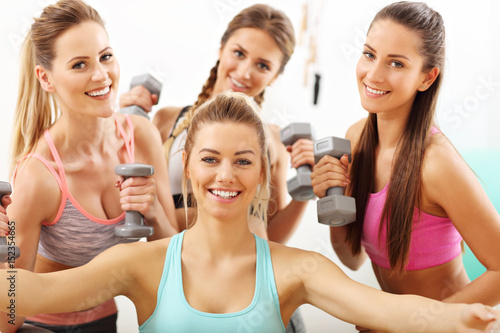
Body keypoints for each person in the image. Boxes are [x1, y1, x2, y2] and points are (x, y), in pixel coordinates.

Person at [1, 92, 500, 333]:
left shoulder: (293, 270)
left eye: (243, 161)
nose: (226, 176)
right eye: (211, 159)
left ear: (263, 173)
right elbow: (28, 292)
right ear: (189, 169)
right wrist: (5, 239)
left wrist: (459, 318)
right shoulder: (144, 263)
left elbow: (387, 311)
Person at [310, 2, 500, 332]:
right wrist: (334, 203)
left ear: (427, 78)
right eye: (369, 54)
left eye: (396, 63)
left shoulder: (436, 163)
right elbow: (353, 259)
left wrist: (409, 324)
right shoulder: (356, 139)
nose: (374, 74)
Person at [3, 0, 178, 331]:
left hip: (106, 321)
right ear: (46, 78)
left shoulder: (141, 136)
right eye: (79, 64)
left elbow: (172, 259)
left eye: (105, 56)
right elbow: (9, 314)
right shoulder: (38, 177)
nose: (101, 75)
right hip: (43, 327)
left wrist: (153, 209)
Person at [119, 4, 315, 245]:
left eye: (262, 65)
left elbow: (272, 239)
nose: (244, 73)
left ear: (274, 77)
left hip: (247, 275)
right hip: (172, 265)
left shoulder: (273, 140)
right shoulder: (167, 122)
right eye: (239, 53)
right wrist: (116, 123)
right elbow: (112, 187)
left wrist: (306, 191)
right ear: (221, 48)